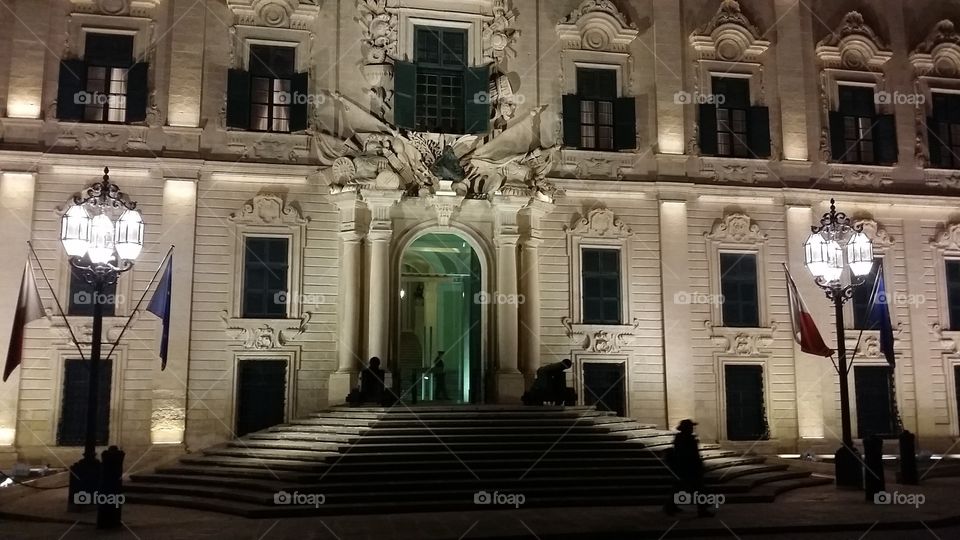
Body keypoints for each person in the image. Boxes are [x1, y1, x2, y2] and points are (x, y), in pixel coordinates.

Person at [663, 419, 714, 518]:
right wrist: (699, 466)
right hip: (690, 468)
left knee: (680, 488)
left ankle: (670, 506)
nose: (692, 428)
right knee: (699, 490)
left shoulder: (679, 438)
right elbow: (693, 455)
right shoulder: (689, 439)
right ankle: (702, 510)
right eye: (691, 427)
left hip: (683, 468)